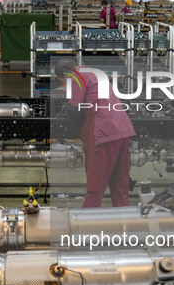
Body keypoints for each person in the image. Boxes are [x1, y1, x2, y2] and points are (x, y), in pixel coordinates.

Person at [55, 59, 136, 208]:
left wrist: (66, 109)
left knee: (95, 190)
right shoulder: (95, 73)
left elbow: (74, 112)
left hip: (103, 134)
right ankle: (126, 226)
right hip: (122, 130)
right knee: (120, 189)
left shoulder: (76, 77)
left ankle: (84, 228)